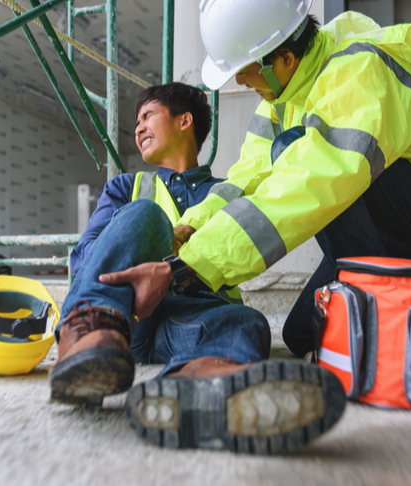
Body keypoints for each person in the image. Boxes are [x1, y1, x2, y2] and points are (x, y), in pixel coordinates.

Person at [101, 0, 411, 414]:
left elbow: (311, 185)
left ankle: (387, 305)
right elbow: (245, 179)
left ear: (285, 59)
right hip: (389, 201)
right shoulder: (279, 95)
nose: (239, 79)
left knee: (294, 151)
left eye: (244, 68)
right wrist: (185, 232)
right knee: (301, 336)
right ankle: (395, 297)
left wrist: (188, 268)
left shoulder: (358, 70)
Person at [50, 82, 345, 455]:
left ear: (185, 120)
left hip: (192, 318)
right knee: (148, 216)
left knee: (246, 320)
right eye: (136, 121)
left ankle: (200, 385)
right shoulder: (127, 187)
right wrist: (161, 240)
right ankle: (86, 339)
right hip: (126, 318)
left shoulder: (229, 191)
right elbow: (87, 256)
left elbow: (244, 253)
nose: (138, 128)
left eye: (147, 116)